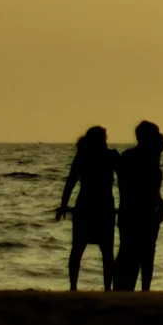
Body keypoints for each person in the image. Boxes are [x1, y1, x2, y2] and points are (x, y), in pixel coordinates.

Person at [56, 123, 114, 291]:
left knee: (79, 248)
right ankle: (105, 288)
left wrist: (63, 205)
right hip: (101, 207)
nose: (107, 140)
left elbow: (70, 182)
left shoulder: (84, 156)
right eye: (104, 137)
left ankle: (74, 286)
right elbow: (71, 181)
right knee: (104, 250)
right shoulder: (106, 156)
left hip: (87, 206)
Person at [114, 119, 163, 291]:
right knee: (136, 252)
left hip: (141, 212)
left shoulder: (142, 156)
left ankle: (141, 288)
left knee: (141, 252)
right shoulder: (139, 157)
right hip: (137, 212)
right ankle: (132, 288)